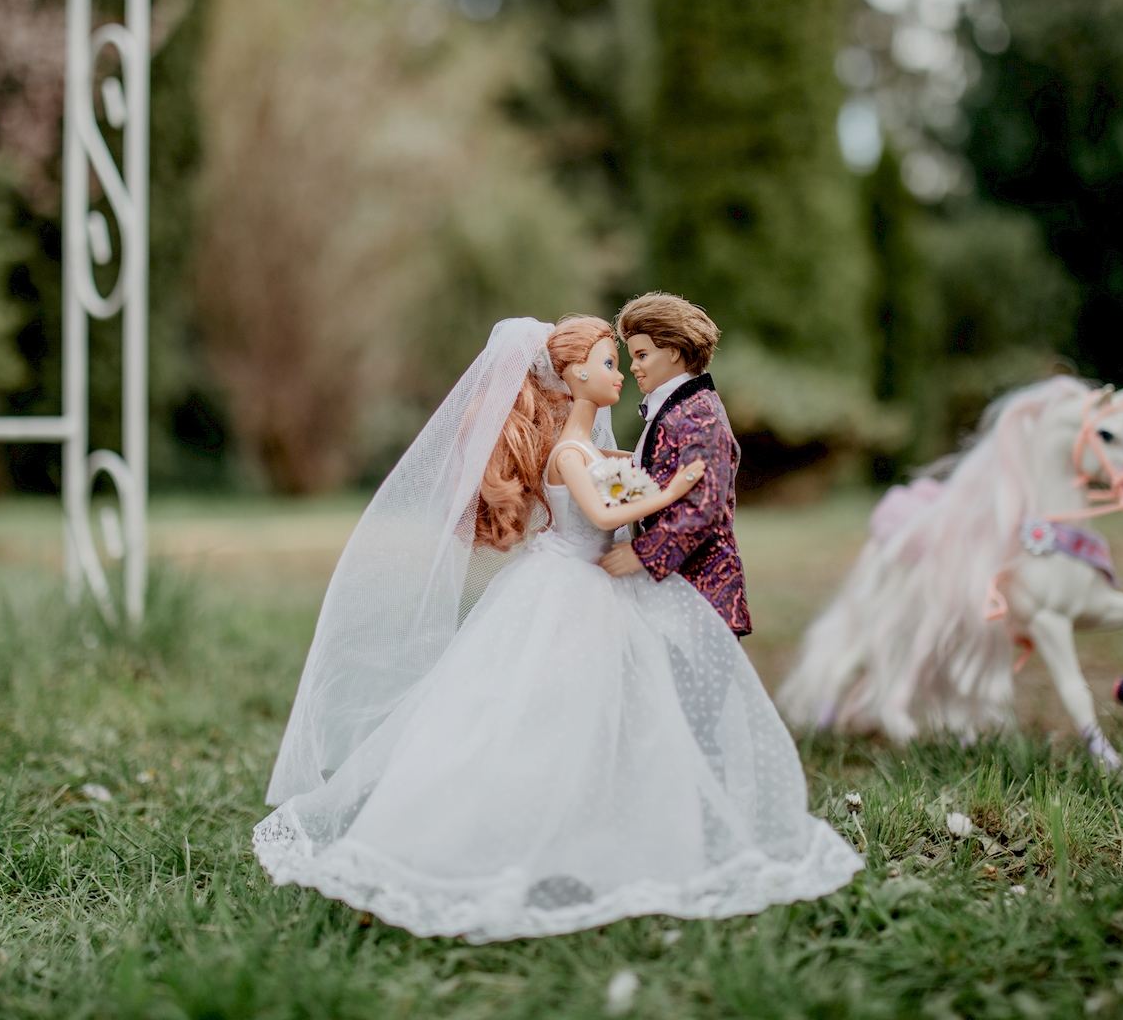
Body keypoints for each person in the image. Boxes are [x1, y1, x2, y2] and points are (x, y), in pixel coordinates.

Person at [255, 316, 860, 942]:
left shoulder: (593, 451)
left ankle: (593, 830)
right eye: (609, 362)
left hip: (594, 585)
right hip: (570, 586)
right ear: (573, 375)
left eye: (624, 360)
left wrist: (654, 481)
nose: (620, 373)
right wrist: (674, 489)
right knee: (549, 710)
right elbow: (607, 512)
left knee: (596, 713)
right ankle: (513, 829)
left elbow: (624, 485)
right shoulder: (570, 453)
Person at [600, 293, 751, 636]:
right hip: (675, 586)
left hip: (701, 588)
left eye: (642, 355)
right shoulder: (675, 408)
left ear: (672, 351)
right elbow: (656, 467)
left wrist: (643, 553)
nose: (633, 367)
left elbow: (703, 507)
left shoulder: (699, 414)